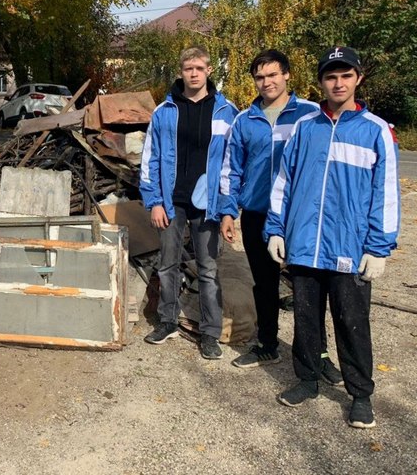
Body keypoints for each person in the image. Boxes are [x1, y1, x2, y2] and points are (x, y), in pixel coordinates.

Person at [264, 46, 399, 428]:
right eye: (330, 76)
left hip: (350, 248)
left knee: (352, 323)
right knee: (306, 319)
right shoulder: (306, 128)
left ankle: (360, 394)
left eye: (345, 76)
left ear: (357, 79)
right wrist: (276, 228)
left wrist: (379, 246)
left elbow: (385, 193)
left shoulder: (375, 131)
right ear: (321, 82)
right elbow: (283, 183)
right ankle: (307, 380)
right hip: (305, 244)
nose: (338, 83)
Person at [218, 50, 342, 383]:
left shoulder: (311, 115)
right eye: (260, 77)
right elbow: (231, 169)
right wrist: (229, 211)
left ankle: (319, 354)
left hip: (300, 217)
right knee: (265, 284)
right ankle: (268, 343)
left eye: (273, 75)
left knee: (309, 288)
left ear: (287, 75)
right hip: (258, 214)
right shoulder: (245, 120)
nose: (266, 82)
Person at [140, 47, 238, 359]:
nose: (193, 73)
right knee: (168, 264)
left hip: (208, 205)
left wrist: (227, 209)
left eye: (199, 67)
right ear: (181, 71)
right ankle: (167, 321)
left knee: (208, 268)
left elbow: (231, 165)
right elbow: (150, 160)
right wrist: (155, 201)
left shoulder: (226, 111)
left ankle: (210, 333)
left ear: (209, 70)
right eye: (187, 68)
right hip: (172, 202)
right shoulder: (164, 111)